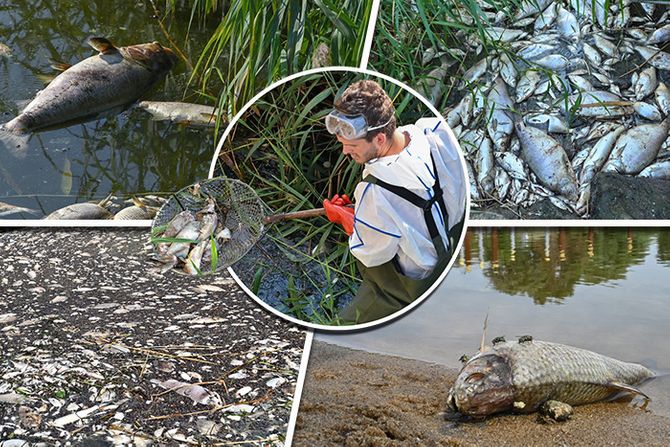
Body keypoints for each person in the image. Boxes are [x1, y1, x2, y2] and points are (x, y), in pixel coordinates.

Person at [323, 79, 466, 324]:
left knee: (343, 326)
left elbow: (372, 254)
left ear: (379, 139)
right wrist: (367, 216)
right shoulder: (435, 133)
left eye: (352, 146)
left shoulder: (374, 192)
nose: (345, 152)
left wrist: (351, 221)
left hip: (413, 286)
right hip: (456, 254)